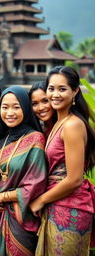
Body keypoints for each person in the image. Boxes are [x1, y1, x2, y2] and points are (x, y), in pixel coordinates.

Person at [30, 66, 95, 255]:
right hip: (58, 204)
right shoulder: (59, 123)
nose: (55, 94)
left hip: (70, 208)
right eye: (51, 88)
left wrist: (40, 200)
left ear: (75, 91)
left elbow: (74, 179)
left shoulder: (73, 125)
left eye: (62, 89)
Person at [0, 85, 47, 256]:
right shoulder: (0, 140)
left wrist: (2, 196)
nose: (9, 113)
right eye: (5, 107)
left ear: (26, 109)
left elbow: (37, 184)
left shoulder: (35, 139)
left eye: (16, 107)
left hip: (22, 218)